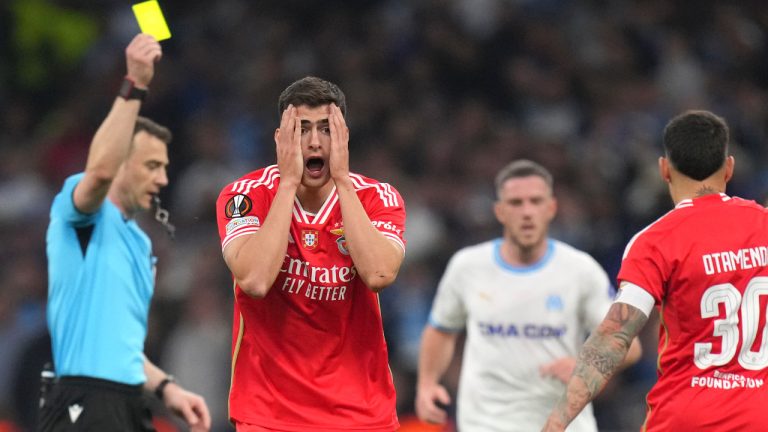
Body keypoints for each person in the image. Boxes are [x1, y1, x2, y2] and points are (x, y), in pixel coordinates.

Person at [542, 110, 768, 431]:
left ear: (664, 169)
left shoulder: (656, 241)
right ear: (728, 167)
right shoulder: (764, 224)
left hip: (686, 419)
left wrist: (556, 421)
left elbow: (613, 338)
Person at [215, 76, 407, 431]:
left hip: (362, 415)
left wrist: (344, 182)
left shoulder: (378, 197)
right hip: (269, 415)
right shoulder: (243, 196)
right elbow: (255, 280)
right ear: (280, 139)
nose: (315, 142)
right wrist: (287, 183)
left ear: (343, 137)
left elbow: (380, 274)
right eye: (302, 130)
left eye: (326, 130)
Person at [42, 33, 210, 431]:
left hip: (129, 401)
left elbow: (121, 347)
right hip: (80, 401)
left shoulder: (140, 243)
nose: (163, 178)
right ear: (121, 161)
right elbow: (99, 171)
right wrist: (135, 83)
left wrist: (168, 388)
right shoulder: (81, 211)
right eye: (152, 165)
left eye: (165, 167)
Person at [416, 159, 642, 431]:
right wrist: (427, 384)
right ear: (499, 211)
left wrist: (586, 364)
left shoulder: (580, 271)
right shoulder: (467, 267)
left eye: (535, 201)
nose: (527, 212)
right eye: (516, 203)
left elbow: (628, 344)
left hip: (562, 423)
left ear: (551, 208)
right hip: (486, 422)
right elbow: (441, 329)